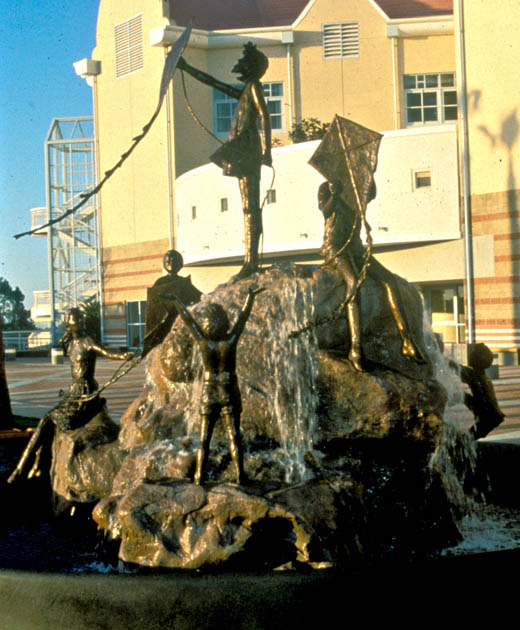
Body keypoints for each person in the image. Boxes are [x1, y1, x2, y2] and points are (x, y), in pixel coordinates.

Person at [178, 42, 272, 280]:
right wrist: (187, 69)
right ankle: (249, 260)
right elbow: (214, 83)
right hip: (242, 149)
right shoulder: (246, 89)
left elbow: (265, 116)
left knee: (251, 207)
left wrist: (267, 150)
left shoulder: (254, 88)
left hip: (248, 149)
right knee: (247, 207)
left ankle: (251, 262)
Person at [318, 180, 427, 370]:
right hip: (336, 249)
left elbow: (372, 193)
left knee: (389, 281)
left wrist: (365, 184)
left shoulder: (356, 187)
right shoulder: (328, 187)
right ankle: (355, 349)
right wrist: (335, 195)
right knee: (353, 284)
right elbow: (325, 210)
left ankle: (407, 341)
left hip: (357, 250)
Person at [170, 286, 265, 485]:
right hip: (229, 391)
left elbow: (189, 321)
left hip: (209, 392)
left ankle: (199, 476)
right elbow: (242, 319)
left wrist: (176, 301)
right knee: (235, 436)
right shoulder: (230, 340)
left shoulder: (204, 342)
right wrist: (250, 297)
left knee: (205, 438)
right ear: (223, 323)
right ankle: (240, 476)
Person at [60, 307, 132, 397]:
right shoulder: (70, 345)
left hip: (86, 388)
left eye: (80, 319)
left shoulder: (88, 341)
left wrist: (122, 356)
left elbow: (106, 353)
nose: (80, 322)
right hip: (74, 387)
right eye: (76, 319)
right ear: (68, 323)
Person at [144, 249, 202, 354]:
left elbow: (199, 297)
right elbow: (155, 305)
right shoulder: (160, 282)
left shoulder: (184, 283)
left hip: (182, 321)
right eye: (168, 261)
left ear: (180, 263)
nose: (171, 263)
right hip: (166, 324)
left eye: (174, 261)